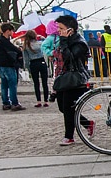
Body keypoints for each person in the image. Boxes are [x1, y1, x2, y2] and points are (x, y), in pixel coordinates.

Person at [52, 15, 92, 145]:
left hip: (75, 79)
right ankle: (87, 123)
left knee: (68, 108)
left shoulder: (80, 43)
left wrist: (64, 41)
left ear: (71, 30)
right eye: (58, 28)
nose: (59, 30)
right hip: (63, 77)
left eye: (61, 28)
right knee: (62, 108)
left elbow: (69, 57)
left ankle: (69, 136)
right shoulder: (62, 40)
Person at [0, 23, 24, 111]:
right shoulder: (4, 41)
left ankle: (6, 103)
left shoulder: (0, 40)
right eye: (11, 31)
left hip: (0, 64)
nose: (12, 32)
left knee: (4, 84)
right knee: (12, 84)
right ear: (7, 31)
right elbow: (13, 49)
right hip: (7, 64)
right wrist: (19, 50)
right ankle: (14, 103)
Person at [22, 31, 50, 108]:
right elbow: (47, 44)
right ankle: (46, 100)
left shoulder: (26, 46)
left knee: (36, 83)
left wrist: (28, 68)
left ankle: (38, 101)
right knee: (45, 83)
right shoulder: (40, 43)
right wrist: (43, 38)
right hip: (42, 62)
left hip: (33, 64)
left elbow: (26, 60)